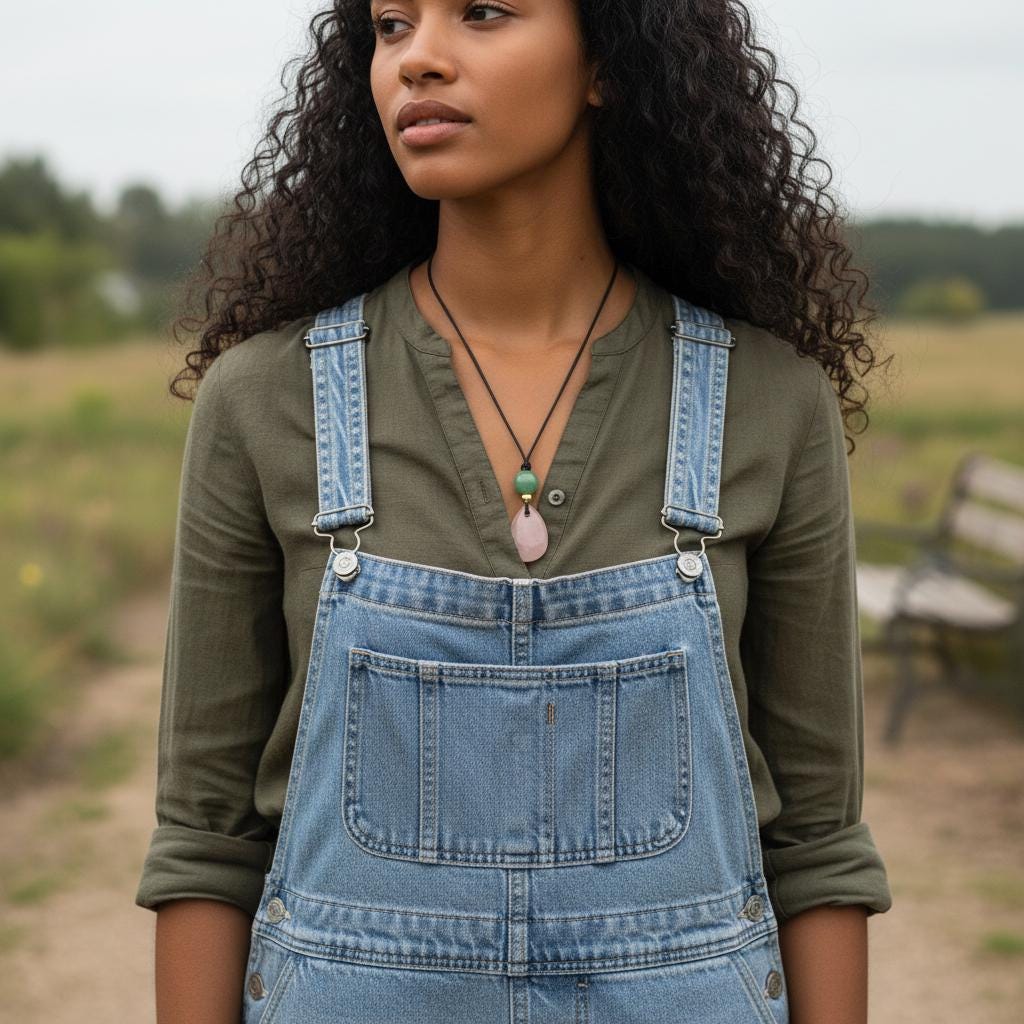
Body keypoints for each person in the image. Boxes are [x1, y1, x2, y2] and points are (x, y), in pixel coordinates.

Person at [135, 1, 894, 1021]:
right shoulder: (262, 400)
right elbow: (205, 834)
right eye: (393, 25)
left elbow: (815, 841)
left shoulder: (770, 401)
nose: (420, 60)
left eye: (482, 14)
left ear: (608, 64)